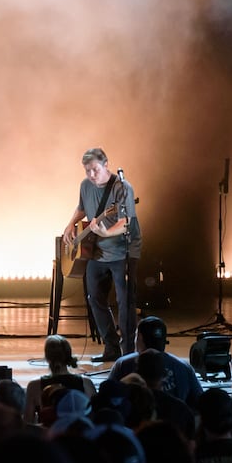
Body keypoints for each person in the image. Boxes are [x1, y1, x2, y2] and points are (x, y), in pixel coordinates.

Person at [60, 147, 139, 361]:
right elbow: (82, 207)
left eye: (95, 169)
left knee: (125, 302)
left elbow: (126, 223)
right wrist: (70, 225)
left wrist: (106, 232)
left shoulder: (122, 188)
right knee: (94, 298)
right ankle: (111, 347)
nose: (91, 175)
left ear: (106, 165)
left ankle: (129, 353)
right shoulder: (85, 185)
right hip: (96, 252)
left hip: (123, 252)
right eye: (87, 171)